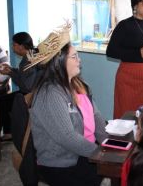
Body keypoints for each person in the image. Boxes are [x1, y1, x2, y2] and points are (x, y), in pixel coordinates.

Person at [26, 24, 108, 186]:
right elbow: (67, 137)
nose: (79, 60)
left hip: (82, 152)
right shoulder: (50, 94)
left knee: (116, 169)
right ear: (59, 62)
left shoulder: (78, 85)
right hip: (60, 163)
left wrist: (109, 145)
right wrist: (100, 154)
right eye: (74, 56)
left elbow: (97, 119)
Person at [0, 32, 43, 141]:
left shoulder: (30, 60)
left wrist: (11, 73)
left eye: (14, 45)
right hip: (31, 92)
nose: (13, 47)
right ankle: (9, 132)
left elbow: (26, 86)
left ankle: (2, 135)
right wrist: (11, 70)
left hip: (31, 95)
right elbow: (24, 75)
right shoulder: (30, 55)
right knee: (3, 101)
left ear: (21, 46)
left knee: (1, 102)